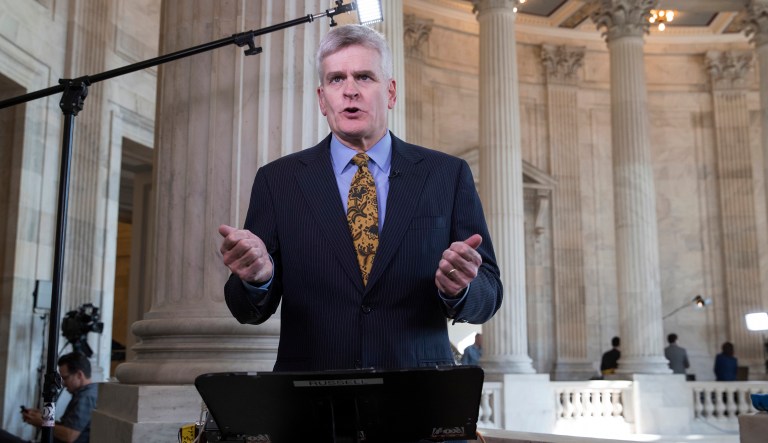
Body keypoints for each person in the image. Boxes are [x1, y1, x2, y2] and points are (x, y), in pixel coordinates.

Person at [219, 24, 502, 372]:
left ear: (391, 93)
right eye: (336, 79)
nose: (350, 90)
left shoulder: (446, 174)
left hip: (418, 389)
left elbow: (489, 291)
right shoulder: (278, 181)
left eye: (364, 77)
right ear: (322, 99)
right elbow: (245, 310)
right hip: (311, 392)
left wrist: (460, 289)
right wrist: (257, 279)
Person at [0, 352, 98, 443]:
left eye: (65, 378)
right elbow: (68, 428)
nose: (63, 383)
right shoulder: (85, 394)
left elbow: (69, 435)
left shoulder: (86, 396)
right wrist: (43, 417)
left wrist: (42, 421)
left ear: (79, 375)